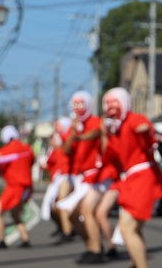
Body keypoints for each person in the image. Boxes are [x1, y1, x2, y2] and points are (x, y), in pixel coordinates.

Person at [83, 87, 162, 267]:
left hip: (143, 178)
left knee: (127, 227)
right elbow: (108, 156)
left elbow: (147, 140)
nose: (111, 111)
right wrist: (105, 135)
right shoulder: (116, 131)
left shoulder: (136, 120)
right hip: (132, 180)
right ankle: (136, 263)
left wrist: (144, 132)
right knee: (132, 228)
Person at [56, 91, 102, 243]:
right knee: (71, 211)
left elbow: (97, 133)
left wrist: (81, 136)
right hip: (84, 177)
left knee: (88, 212)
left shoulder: (95, 121)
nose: (77, 108)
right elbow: (66, 150)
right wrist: (75, 131)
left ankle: (97, 249)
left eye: (81, 104)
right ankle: (91, 245)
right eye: (75, 104)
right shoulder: (75, 127)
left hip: (97, 175)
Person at [0, 125, 34, 249]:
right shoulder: (27, 148)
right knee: (15, 214)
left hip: (15, 186)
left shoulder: (10, 149)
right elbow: (32, 161)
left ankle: (2, 241)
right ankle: (25, 238)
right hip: (27, 187)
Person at [41, 117, 76, 238]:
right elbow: (49, 163)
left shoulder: (70, 141)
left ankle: (68, 230)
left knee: (61, 204)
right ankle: (64, 227)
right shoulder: (57, 148)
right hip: (59, 178)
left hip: (69, 176)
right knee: (53, 207)